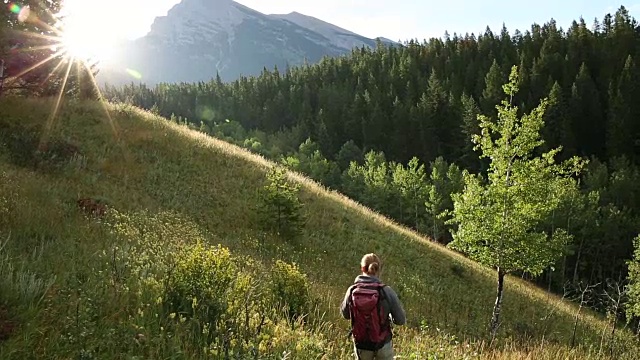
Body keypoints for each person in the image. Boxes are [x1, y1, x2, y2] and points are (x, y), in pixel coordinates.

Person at [340, 253, 406, 360]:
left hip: (361, 345)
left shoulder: (352, 290)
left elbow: (345, 315)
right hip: (383, 344)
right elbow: (400, 320)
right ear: (378, 269)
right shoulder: (386, 291)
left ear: (362, 268)